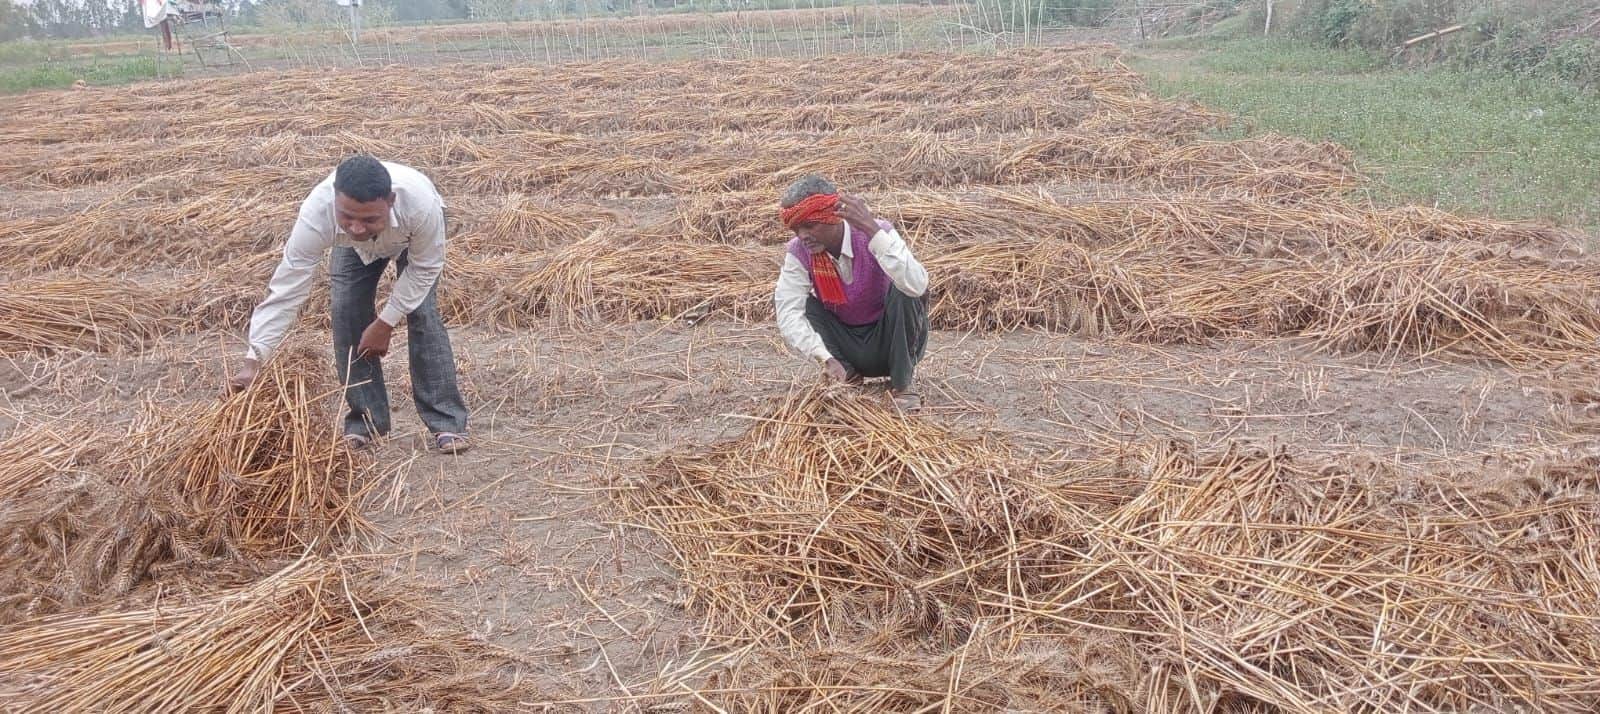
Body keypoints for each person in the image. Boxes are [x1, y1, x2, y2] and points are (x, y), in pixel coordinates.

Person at [227, 156, 470, 454]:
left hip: (410, 239)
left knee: (422, 314)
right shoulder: (317, 215)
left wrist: (385, 322)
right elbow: (287, 288)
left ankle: (446, 421)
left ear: (390, 201)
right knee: (346, 310)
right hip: (353, 252)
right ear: (335, 202)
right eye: (347, 217)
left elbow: (424, 269)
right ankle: (366, 422)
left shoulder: (420, 206)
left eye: (369, 219)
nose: (356, 228)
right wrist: (255, 358)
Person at [772, 175, 931, 411]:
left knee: (904, 287)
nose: (802, 236)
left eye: (809, 225)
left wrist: (871, 229)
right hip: (845, 346)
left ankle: (903, 385)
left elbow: (918, 285)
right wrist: (825, 357)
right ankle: (848, 375)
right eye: (796, 229)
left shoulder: (876, 232)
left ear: (833, 216)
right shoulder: (799, 252)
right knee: (801, 303)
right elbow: (788, 311)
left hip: (891, 342)